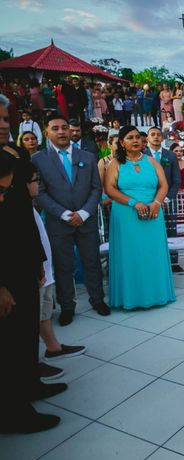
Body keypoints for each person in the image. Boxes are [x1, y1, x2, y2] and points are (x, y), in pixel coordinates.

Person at [0, 96, 65, 433]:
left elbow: (22, 215)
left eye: (6, 120)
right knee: (9, 343)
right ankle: (14, 410)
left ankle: (30, 385)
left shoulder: (10, 155)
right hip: (5, 270)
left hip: (24, 258)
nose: (3, 126)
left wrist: (38, 259)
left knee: (26, 331)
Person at [32, 114, 110, 326]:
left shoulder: (87, 157)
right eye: (55, 128)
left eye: (64, 127)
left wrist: (84, 213)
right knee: (63, 265)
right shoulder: (38, 159)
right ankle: (67, 306)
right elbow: (40, 192)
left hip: (87, 220)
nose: (61, 132)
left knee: (92, 262)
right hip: (59, 223)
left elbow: (96, 188)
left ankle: (97, 300)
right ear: (47, 133)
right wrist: (64, 214)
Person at [24, 162, 86, 382]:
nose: (38, 186)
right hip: (34, 268)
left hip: (42, 266)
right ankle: (29, 369)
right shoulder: (13, 207)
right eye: (35, 181)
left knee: (44, 310)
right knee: (32, 315)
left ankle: (53, 348)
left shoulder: (27, 204)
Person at [104, 126, 175, 309]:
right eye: (129, 137)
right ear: (121, 142)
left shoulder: (151, 162)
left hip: (153, 214)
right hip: (126, 215)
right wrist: (133, 203)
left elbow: (163, 185)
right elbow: (110, 189)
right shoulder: (115, 163)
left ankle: (158, 295)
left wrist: (156, 203)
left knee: (152, 253)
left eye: (137, 137)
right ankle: (130, 297)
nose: (135, 140)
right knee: (130, 255)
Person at [145, 126, 182, 272]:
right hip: (149, 201)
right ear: (147, 138)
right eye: (152, 134)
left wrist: (166, 199)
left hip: (168, 202)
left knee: (171, 230)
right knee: (151, 231)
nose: (155, 137)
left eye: (158, 135)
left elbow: (176, 180)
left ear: (162, 138)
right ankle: (153, 261)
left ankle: (173, 263)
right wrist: (153, 201)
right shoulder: (143, 155)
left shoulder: (170, 156)